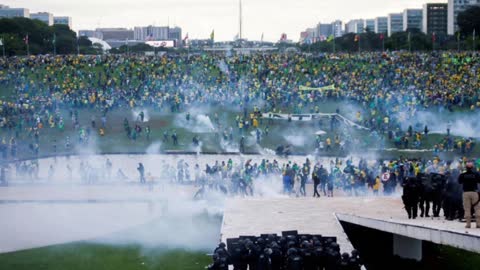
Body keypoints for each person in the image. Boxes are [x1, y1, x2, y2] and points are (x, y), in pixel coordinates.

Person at [458, 162, 480, 228]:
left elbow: (459, 182)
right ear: (472, 167)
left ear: (466, 168)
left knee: (467, 209)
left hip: (466, 193)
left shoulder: (462, 175)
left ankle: (468, 224)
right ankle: (478, 224)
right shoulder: (476, 174)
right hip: (474, 193)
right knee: (477, 208)